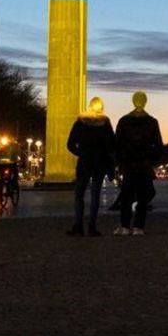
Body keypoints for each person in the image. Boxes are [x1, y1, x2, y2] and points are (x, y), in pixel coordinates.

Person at [113, 91, 163, 235]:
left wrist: (120, 162)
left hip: (128, 165)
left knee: (126, 197)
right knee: (142, 198)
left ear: (133, 102)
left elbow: (117, 144)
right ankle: (138, 227)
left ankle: (124, 226)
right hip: (144, 165)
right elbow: (159, 146)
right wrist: (151, 161)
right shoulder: (152, 122)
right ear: (145, 102)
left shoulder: (124, 121)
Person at [66, 96, 116, 236]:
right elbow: (112, 145)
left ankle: (78, 225)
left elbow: (70, 144)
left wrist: (81, 153)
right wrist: (110, 164)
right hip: (100, 163)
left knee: (79, 194)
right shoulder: (105, 123)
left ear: (89, 106)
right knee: (95, 195)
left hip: (84, 162)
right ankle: (92, 226)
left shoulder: (80, 122)